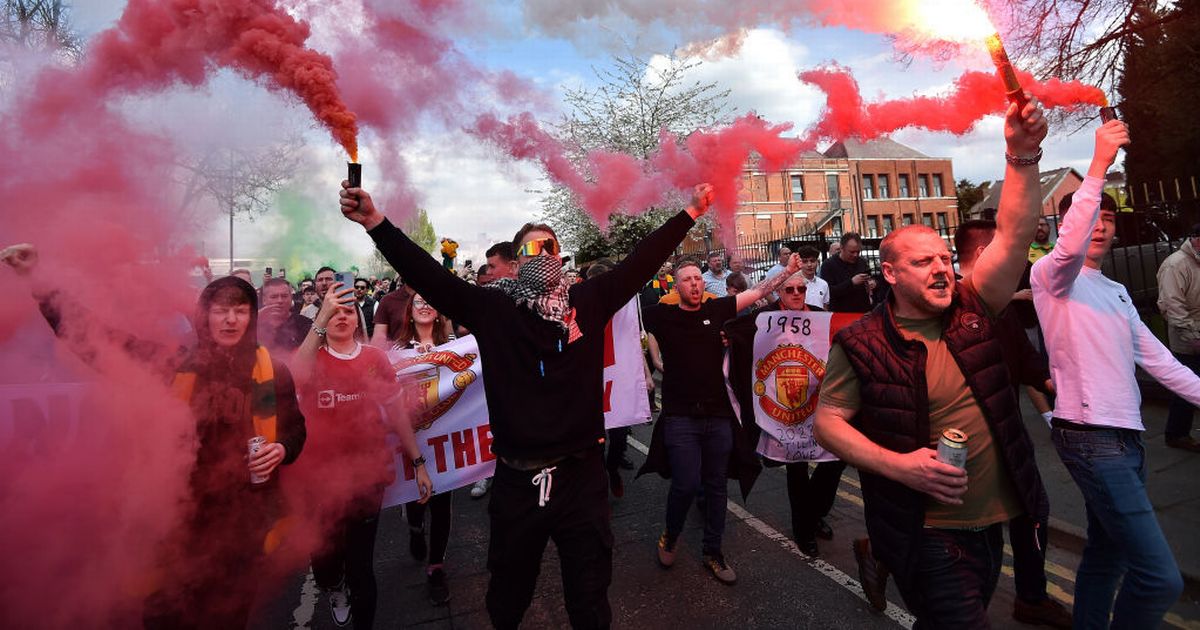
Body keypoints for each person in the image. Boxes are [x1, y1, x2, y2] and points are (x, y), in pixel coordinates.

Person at [340, 179, 717, 630]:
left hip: (582, 476)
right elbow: (431, 278)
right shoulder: (493, 310)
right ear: (518, 263)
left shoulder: (587, 302)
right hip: (518, 480)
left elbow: (640, 263)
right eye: (531, 250)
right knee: (508, 593)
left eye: (549, 248)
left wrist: (690, 212)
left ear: (559, 257)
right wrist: (376, 224)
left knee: (590, 593)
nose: (541, 256)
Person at [813, 96, 1051, 628]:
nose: (942, 269)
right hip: (925, 533)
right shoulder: (862, 342)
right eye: (924, 262)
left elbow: (1013, 234)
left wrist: (1020, 154)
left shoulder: (975, 305)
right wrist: (900, 467)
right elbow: (827, 425)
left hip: (997, 523)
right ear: (892, 274)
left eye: (945, 258)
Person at [1, 244, 306, 628]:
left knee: (227, 618)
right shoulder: (176, 365)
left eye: (240, 310)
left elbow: (296, 429)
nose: (230, 319)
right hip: (174, 525)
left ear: (251, 316)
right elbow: (96, 340)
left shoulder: (273, 372)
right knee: (165, 617)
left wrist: (281, 448)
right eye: (220, 310)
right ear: (204, 316)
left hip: (240, 530)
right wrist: (39, 281)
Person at [1032, 119, 1200, 627]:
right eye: (1092, 218)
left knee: (1107, 557)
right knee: (1160, 580)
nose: (1101, 226)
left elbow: (1161, 363)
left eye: (1108, 219)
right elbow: (1067, 251)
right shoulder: (1051, 277)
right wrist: (1099, 164)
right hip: (1090, 438)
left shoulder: (1118, 292)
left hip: (1129, 440)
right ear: (1069, 225)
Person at [640, 252, 801, 584]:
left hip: (718, 416)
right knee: (685, 484)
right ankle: (671, 534)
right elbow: (625, 312)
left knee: (716, 487)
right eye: (687, 279)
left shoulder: (716, 310)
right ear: (676, 284)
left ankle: (713, 552)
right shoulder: (663, 315)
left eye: (698, 279)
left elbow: (756, 294)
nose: (695, 284)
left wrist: (787, 272)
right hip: (680, 418)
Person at [289, 283, 432, 627]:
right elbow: (294, 377)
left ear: (358, 319)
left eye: (348, 311)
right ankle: (332, 586)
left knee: (361, 566)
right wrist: (320, 319)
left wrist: (418, 463)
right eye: (334, 311)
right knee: (324, 557)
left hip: (367, 477)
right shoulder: (313, 356)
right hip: (320, 479)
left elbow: (397, 414)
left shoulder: (374, 359)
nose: (341, 317)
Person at [953, 219, 1071, 628]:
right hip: (968, 443)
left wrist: (1049, 382)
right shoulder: (947, 305)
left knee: (1031, 510)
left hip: (1010, 432)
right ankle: (884, 554)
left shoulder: (998, 303)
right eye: (1008, 249)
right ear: (985, 253)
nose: (1018, 259)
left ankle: (1032, 597)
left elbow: (1020, 352)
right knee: (973, 535)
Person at [723, 271, 845, 557]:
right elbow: (732, 330)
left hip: (818, 405)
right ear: (778, 291)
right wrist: (726, 337)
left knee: (836, 460)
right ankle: (804, 530)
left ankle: (815, 512)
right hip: (782, 413)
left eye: (801, 289)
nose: (796, 294)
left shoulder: (818, 315)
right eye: (789, 289)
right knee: (797, 469)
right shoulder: (762, 317)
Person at [387, 292, 458, 606]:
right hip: (413, 440)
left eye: (431, 300)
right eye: (419, 302)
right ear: (409, 311)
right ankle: (415, 528)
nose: (426, 305)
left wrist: (440, 356)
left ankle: (436, 567)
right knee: (417, 500)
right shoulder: (396, 350)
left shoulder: (456, 345)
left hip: (447, 439)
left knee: (443, 503)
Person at [1157, 223, 1200, 452]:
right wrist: (1193, 337)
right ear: (1195, 239)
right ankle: (1176, 433)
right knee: (1186, 386)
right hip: (1187, 338)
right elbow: (1172, 306)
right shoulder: (1176, 265)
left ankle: (1178, 432)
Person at [819, 232, 872, 313]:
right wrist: (851, 282)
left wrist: (872, 283)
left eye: (858, 252)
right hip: (841, 313)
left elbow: (871, 278)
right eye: (852, 252)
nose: (855, 255)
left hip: (862, 312)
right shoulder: (828, 265)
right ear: (841, 248)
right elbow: (828, 292)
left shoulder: (861, 262)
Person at [258, 277, 299, 353]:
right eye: (274, 297)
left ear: (291, 297)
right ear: (264, 300)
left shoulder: (305, 324)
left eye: (284, 296)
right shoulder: (255, 326)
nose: (279, 301)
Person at [795, 246, 830, 310]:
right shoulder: (793, 283)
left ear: (817, 262)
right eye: (805, 261)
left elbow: (825, 308)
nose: (809, 265)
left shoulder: (823, 284)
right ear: (799, 263)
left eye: (812, 261)